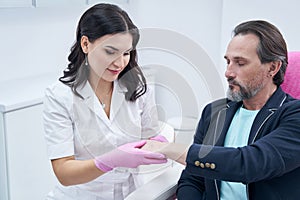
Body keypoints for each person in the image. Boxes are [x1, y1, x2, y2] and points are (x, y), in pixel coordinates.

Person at [143, 20, 300, 199]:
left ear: (272, 67)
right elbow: (193, 179)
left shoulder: (293, 115)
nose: (228, 72)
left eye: (240, 63)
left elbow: (249, 164)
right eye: (228, 62)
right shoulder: (214, 113)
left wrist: (169, 149)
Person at [43, 3, 168, 200]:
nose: (120, 63)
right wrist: (109, 161)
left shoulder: (137, 88)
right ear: (85, 44)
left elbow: (151, 137)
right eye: (110, 51)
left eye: (126, 53)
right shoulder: (60, 96)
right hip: (80, 195)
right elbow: (64, 172)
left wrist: (159, 145)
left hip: (131, 193)